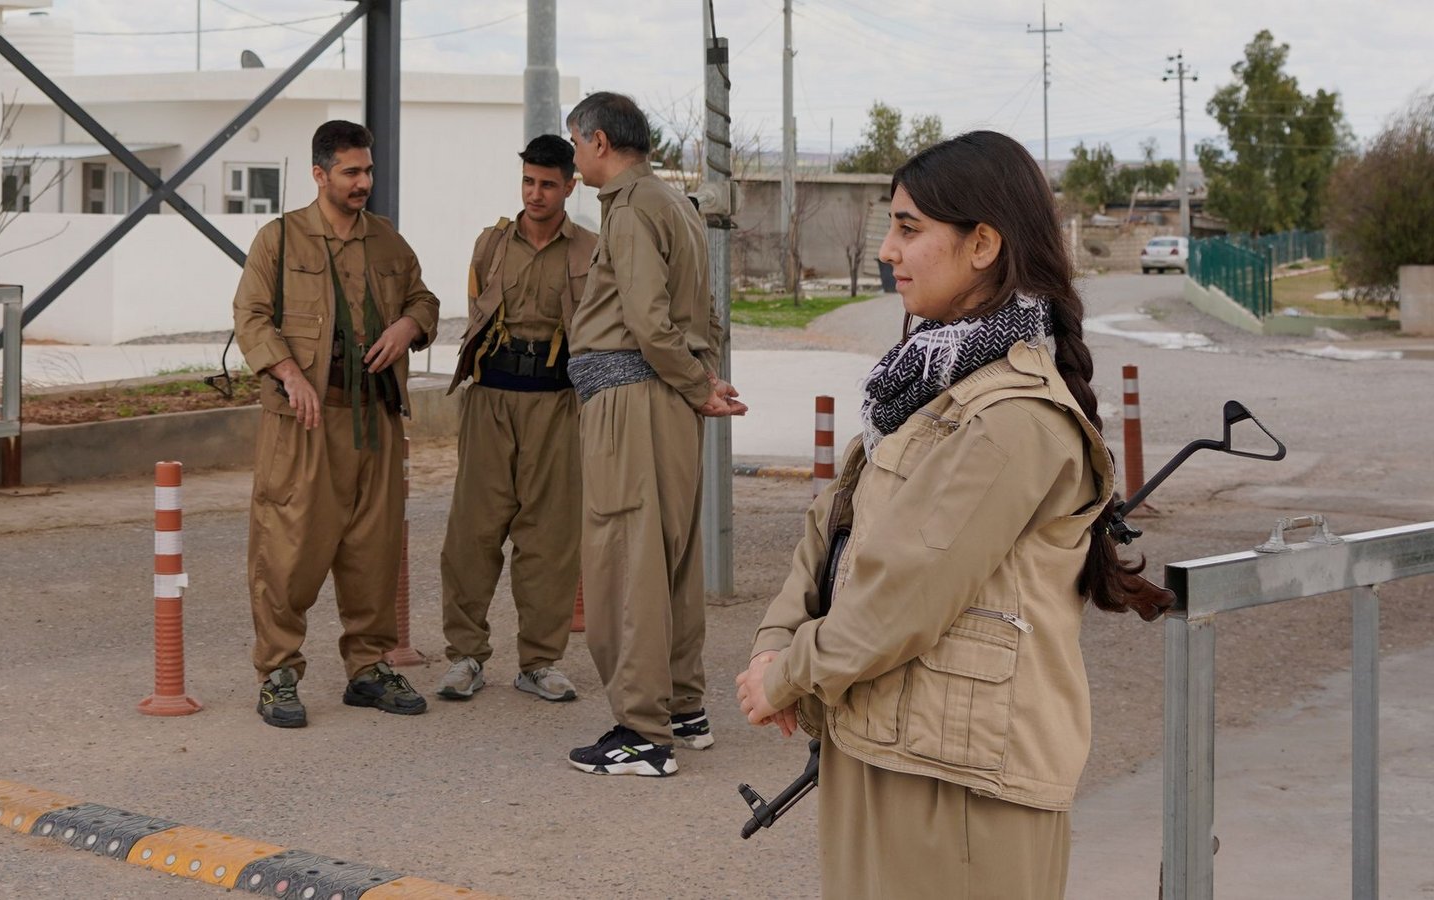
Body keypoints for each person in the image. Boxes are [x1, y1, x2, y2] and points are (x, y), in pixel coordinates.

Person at [735, 131, 1174, 896]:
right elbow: (833, 526)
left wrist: (791, 674)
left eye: (909, 229)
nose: (887, 250)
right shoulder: (925, 382)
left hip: (964, 781)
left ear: (982, 244)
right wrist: (774, 646)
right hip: (889, 741)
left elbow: (904, 590)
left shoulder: (1014, 415)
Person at [561, 92, 747, 778]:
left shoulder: (634, 208)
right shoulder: (677, 205)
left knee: (625, 562)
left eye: (575, 143)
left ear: (600, 142)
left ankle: (641, 733)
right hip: (665, 398)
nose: (574, 155)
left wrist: (698, 384)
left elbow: (643, 316)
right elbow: (706, 311)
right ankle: (682, 707)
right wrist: (703, 378)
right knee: (668, 559)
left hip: (634, 402)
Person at [234, 120, 440, 728]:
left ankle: (369, 668)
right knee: (288, 545)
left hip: (373, 418)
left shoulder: (387, 242)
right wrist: (291, 375)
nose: (363, 183)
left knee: (372, 549)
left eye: (367, 171)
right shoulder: (280, 239)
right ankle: (277, 673)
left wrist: (408, 327)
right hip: (304, 422)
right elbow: (250, 316)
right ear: (320, 174)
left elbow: (423, 301)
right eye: (350, 172)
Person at [435, 134, 597, 704]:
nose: (536, 193)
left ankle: (539, 661)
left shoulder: (590, 251)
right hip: (490, 398)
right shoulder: (492, 243)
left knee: (548, 539)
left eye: (548, 184)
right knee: (472, 533)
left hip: (556, 404)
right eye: (529, 181)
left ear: (570, 187)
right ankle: (465, 656)